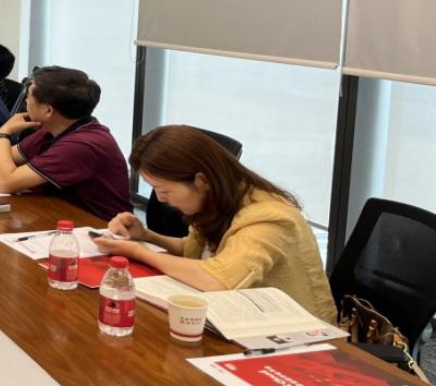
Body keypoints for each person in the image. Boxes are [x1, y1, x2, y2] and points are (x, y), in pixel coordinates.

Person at [94, 125, 337, 323]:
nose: (161, 199)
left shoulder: (269, 218)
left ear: (202, 180)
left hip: (296, 333)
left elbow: (218, 279)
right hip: (237, 315)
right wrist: (146, 236)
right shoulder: (221, 200)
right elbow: (194, 251)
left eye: (164, 190)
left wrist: (140, 252)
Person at [0, 66, 131, 221]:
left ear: (48, 110)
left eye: (29, 97)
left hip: (99, 227)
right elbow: (5, 156)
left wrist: (3, 133)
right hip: (60, 213)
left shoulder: (81, 145)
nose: (26, 101)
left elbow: (5, 183)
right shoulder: (55, 128)